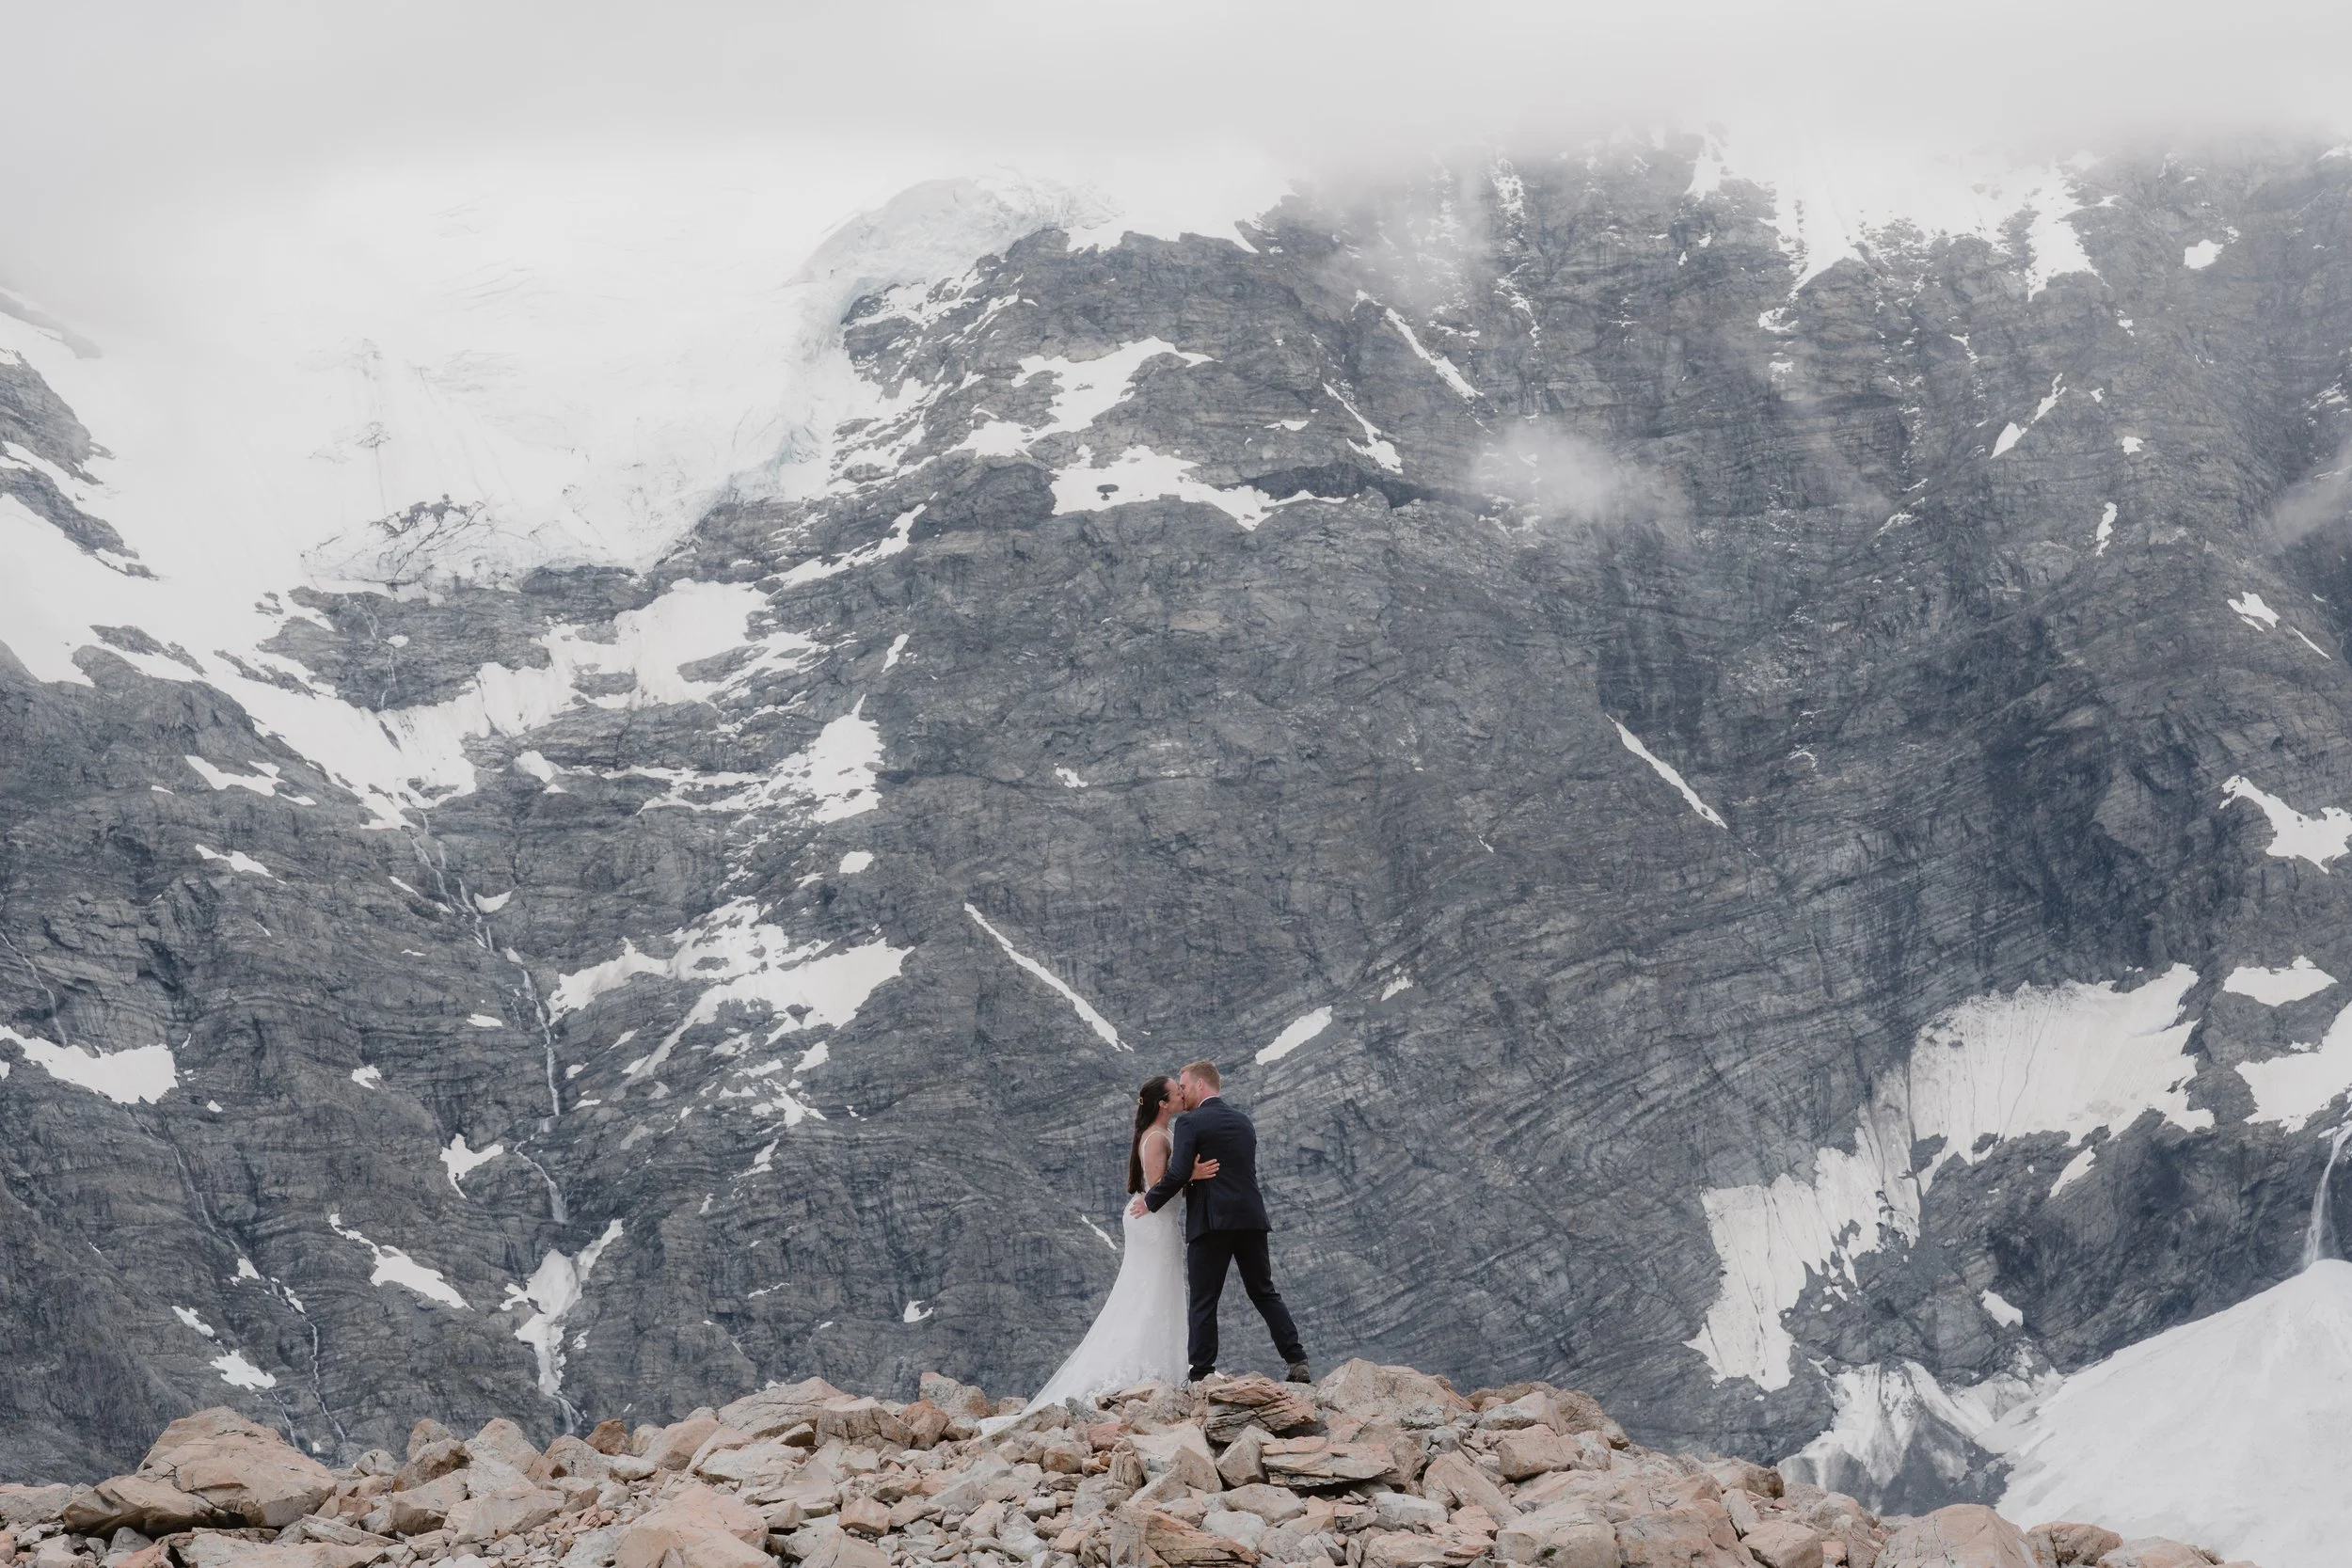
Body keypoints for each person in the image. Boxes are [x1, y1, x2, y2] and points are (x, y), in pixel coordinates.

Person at [1020, 1075, 1208, 1407]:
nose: (1182, 1094)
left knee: (1153, 1289)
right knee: (1153, 1289)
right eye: (1176, 1091)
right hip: (1154, 1223)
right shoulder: (1157, 1138)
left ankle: (1160, 1367)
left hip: (1156, 1222)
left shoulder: (1160, 1133)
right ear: (1163, 1104)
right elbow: (1158, 1187)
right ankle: (1144, 1371)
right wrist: (1192, 1175)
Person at [1131, 1059, 1311, 1385]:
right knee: (1264, 1291)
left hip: (1211, 1222)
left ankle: (1201, 1373)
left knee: (1204, 1298)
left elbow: (1178, 1171)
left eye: (1184, 1086)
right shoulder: (1244, 1122)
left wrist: (1151, 1200)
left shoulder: (1190, 1123)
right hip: (1251, 1220)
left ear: (1200, 1085)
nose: (1182, 1093)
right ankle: (1296, 1359)